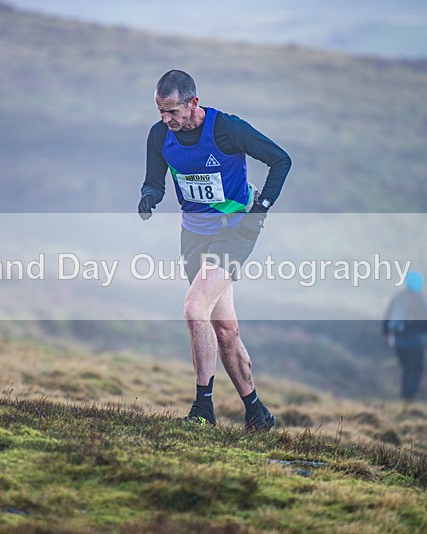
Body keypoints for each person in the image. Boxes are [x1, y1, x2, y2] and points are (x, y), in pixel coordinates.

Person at [137, 69, 291, 431]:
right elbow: (153, 181)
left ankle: (203, 408)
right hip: (193, 236)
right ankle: (257, 412)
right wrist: (148, 197)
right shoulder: (160, 135)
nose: (165, 119)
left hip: (235, 232)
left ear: (194, 102)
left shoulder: (227, 129)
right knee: (224, 329)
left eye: (172, 111)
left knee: (194, 308)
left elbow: (281, 160)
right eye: (160, 111)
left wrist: (260, 210)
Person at [382, 270, 427, 403]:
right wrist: (422, 334)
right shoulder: (420, 299)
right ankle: (409, 397)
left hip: (398, 340)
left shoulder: (398, 297)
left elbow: (387, 315)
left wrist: (386, 333)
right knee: (415, 368)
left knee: (407, 368)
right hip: (415, 341)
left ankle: (405, 396)